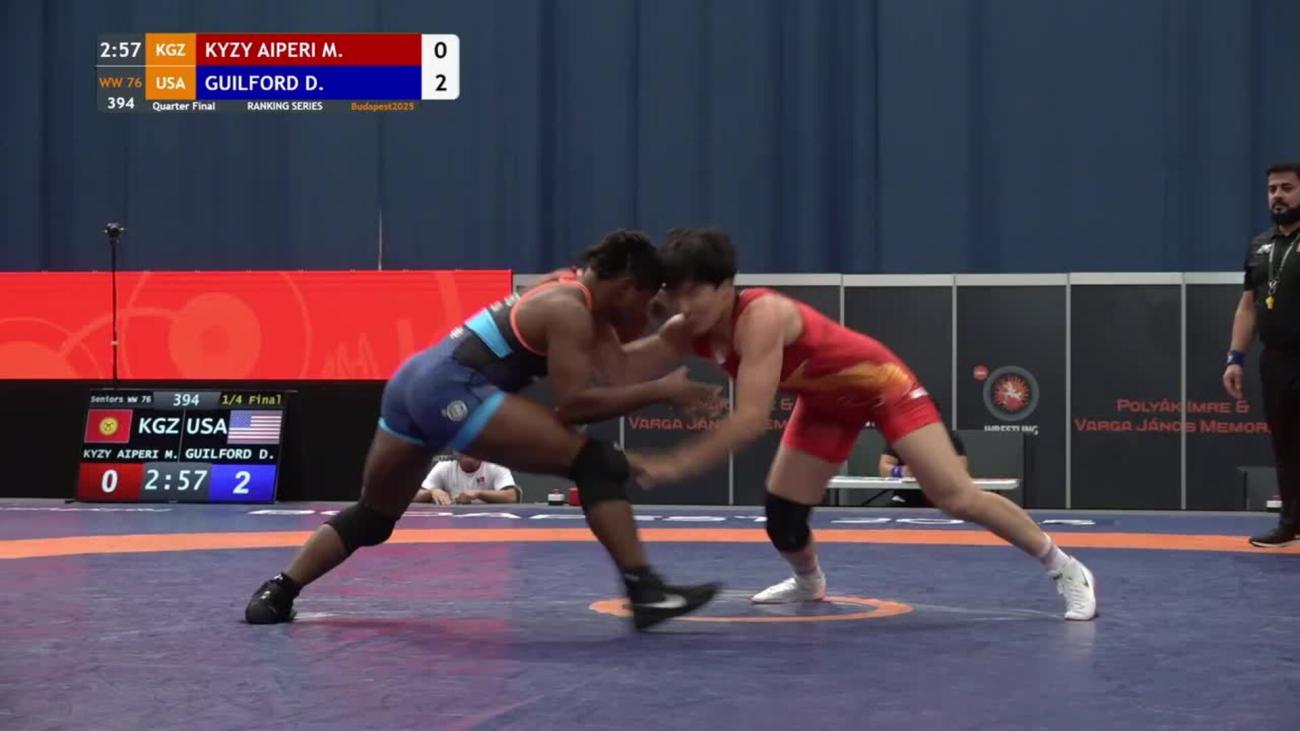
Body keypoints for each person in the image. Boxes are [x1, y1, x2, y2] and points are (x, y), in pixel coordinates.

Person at [244, 230, 721, 630]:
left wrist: (672, 347)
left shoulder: (570, 292)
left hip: (413, 381)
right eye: (648, 305)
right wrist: (662, 391)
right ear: (630, 286)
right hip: (451, 390)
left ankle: (279, 590)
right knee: (599, 465)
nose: (645, 319)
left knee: (373, 516)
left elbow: (618, 371)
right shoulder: (570, 309)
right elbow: (574, 406)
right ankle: (645, 593)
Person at [618, 228, 1097, 620]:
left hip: (883, 385)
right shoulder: (686, 329)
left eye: (696, 292)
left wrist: (677, 463)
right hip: (825, 404)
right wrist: (595, 311)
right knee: (783, 518)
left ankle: (1065, 567)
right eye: (677, 294)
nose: (686, 306)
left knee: (955, 496)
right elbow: (621, 367)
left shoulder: (761, 317)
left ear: (726, 287)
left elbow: (749, 419)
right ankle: (809, 582)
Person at [1225, 161, 1300, 548]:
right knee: (1285, 443)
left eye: (1287, 188)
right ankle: (1290, 523)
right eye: (1272, 190)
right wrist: (1235, 358)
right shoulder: (1259, 246)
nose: (1278, 196)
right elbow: (1248, 306)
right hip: (1276, 360)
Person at [878, 423, 966, 508]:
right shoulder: (900, 434)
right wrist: (902, 471)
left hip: (942, 500)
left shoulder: (949, 436)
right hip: (905, 499)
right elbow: (883, 468)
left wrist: (934, 472)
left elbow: (960, 470)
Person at [415, 453, 521, 505]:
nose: (469, 453)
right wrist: (431, 492)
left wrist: (479, 494)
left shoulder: (495, 465)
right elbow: (414, 495)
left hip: (490, 521)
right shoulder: (445, 466)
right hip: (452, 521)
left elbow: (512, 497)